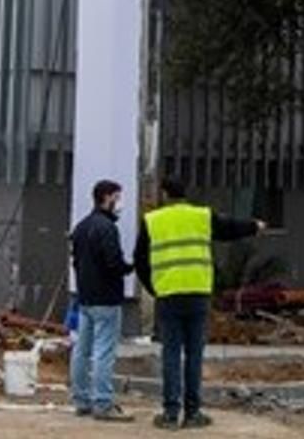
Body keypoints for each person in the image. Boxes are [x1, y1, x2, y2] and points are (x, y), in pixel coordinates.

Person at [133, 179, 264, 430]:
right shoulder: (202, 216)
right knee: (194, 354)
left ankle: (170, 414)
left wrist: (155, 288)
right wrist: (254, 226)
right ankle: (193, 413)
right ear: (185, 194)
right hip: (198, 295)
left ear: (164, 194)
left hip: (169, 295)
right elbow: (229, 228)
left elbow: (140, 262)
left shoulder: (152, 221)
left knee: (171, 353)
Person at [69, 179, 135, 423]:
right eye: (117, 197)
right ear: (107, 197)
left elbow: (76, 261)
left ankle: (81, 399)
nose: (119, 203)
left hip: (85, 296)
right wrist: (129, 268)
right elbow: (113, 262)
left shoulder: (81, 227)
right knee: (104, 352)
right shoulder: (107, 228)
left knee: (82, 350)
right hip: (106, 297)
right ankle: (103, 402)